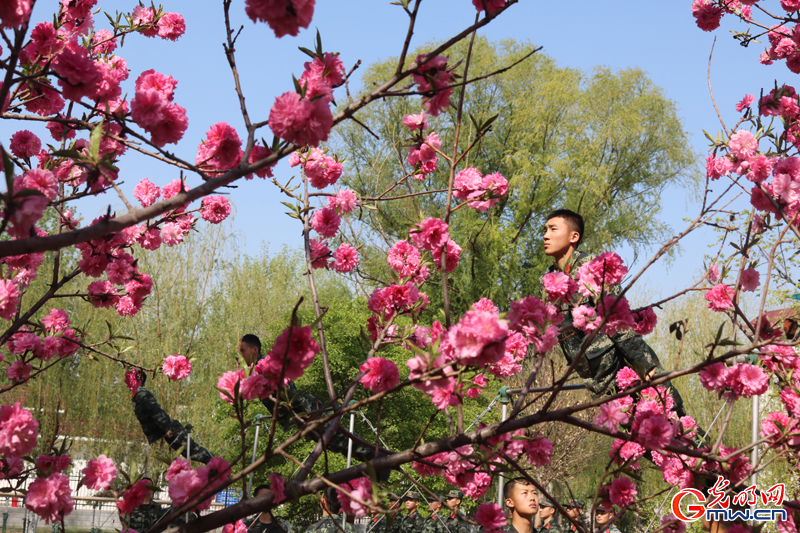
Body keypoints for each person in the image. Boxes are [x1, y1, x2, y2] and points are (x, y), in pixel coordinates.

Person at [540, 209, 687, 414]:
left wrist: (643, 362)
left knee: (670, 416)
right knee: (636, 435)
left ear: (574, 236)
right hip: (596, 375)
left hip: (622, 362)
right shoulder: (548, 279)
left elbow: (617, 317)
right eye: (545, 230)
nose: (545, 235)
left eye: (552, 229)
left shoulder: (592, 267)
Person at [241, 334, 389, 480]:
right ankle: (375, 462)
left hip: (306, 411)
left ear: (254, 350)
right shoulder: (256, 371)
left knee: (337, 439)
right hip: (300, 415)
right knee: (333, 443)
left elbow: (287, 391)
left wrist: (305, 411)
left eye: (243, 351)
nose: (241, 355)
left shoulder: (266, 367)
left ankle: (378, 459)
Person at [129, 369, 214, 464]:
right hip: (168, 429)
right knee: (191, 452)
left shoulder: (142, 392)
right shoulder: (138, 393)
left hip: (172, 429)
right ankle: (217, 466)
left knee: (194, 452)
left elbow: (155, 410)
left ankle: (219, 466)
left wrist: (166, 428)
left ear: (140, 378)